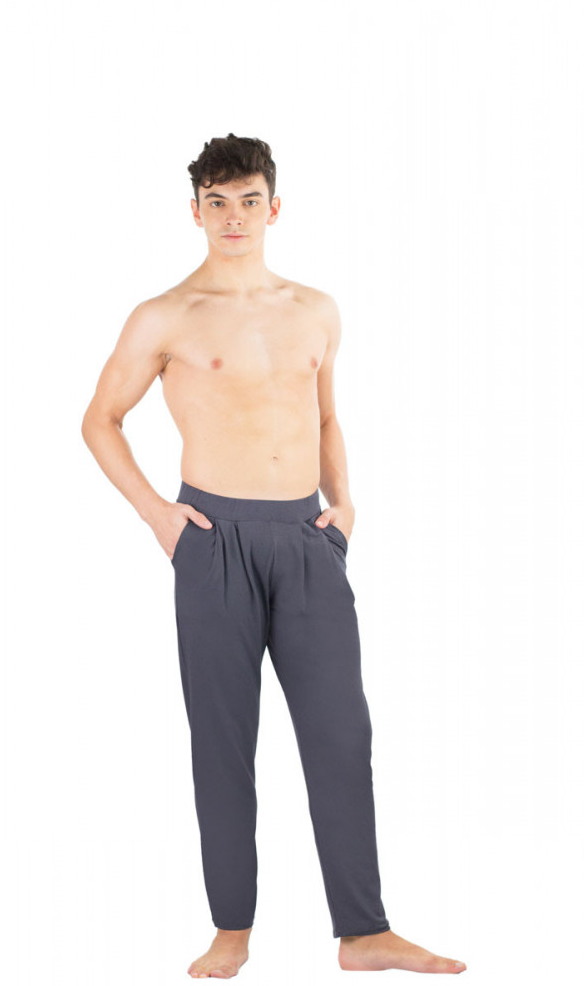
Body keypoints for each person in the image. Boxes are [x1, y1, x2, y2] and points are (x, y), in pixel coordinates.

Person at [81, 133, 466, 978]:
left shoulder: (315, 309)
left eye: (248, 200)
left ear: (274, 207)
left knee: (341, 734)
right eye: (217, 202)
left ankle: (363, 932)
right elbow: (99, 420)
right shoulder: (165, 315)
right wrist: (159, 518)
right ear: (194, 212)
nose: (234, 217)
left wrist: (345, 506)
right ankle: (231, 930)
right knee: (224, 744)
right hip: (211, 542)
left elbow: (324, 415)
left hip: (306, 540)